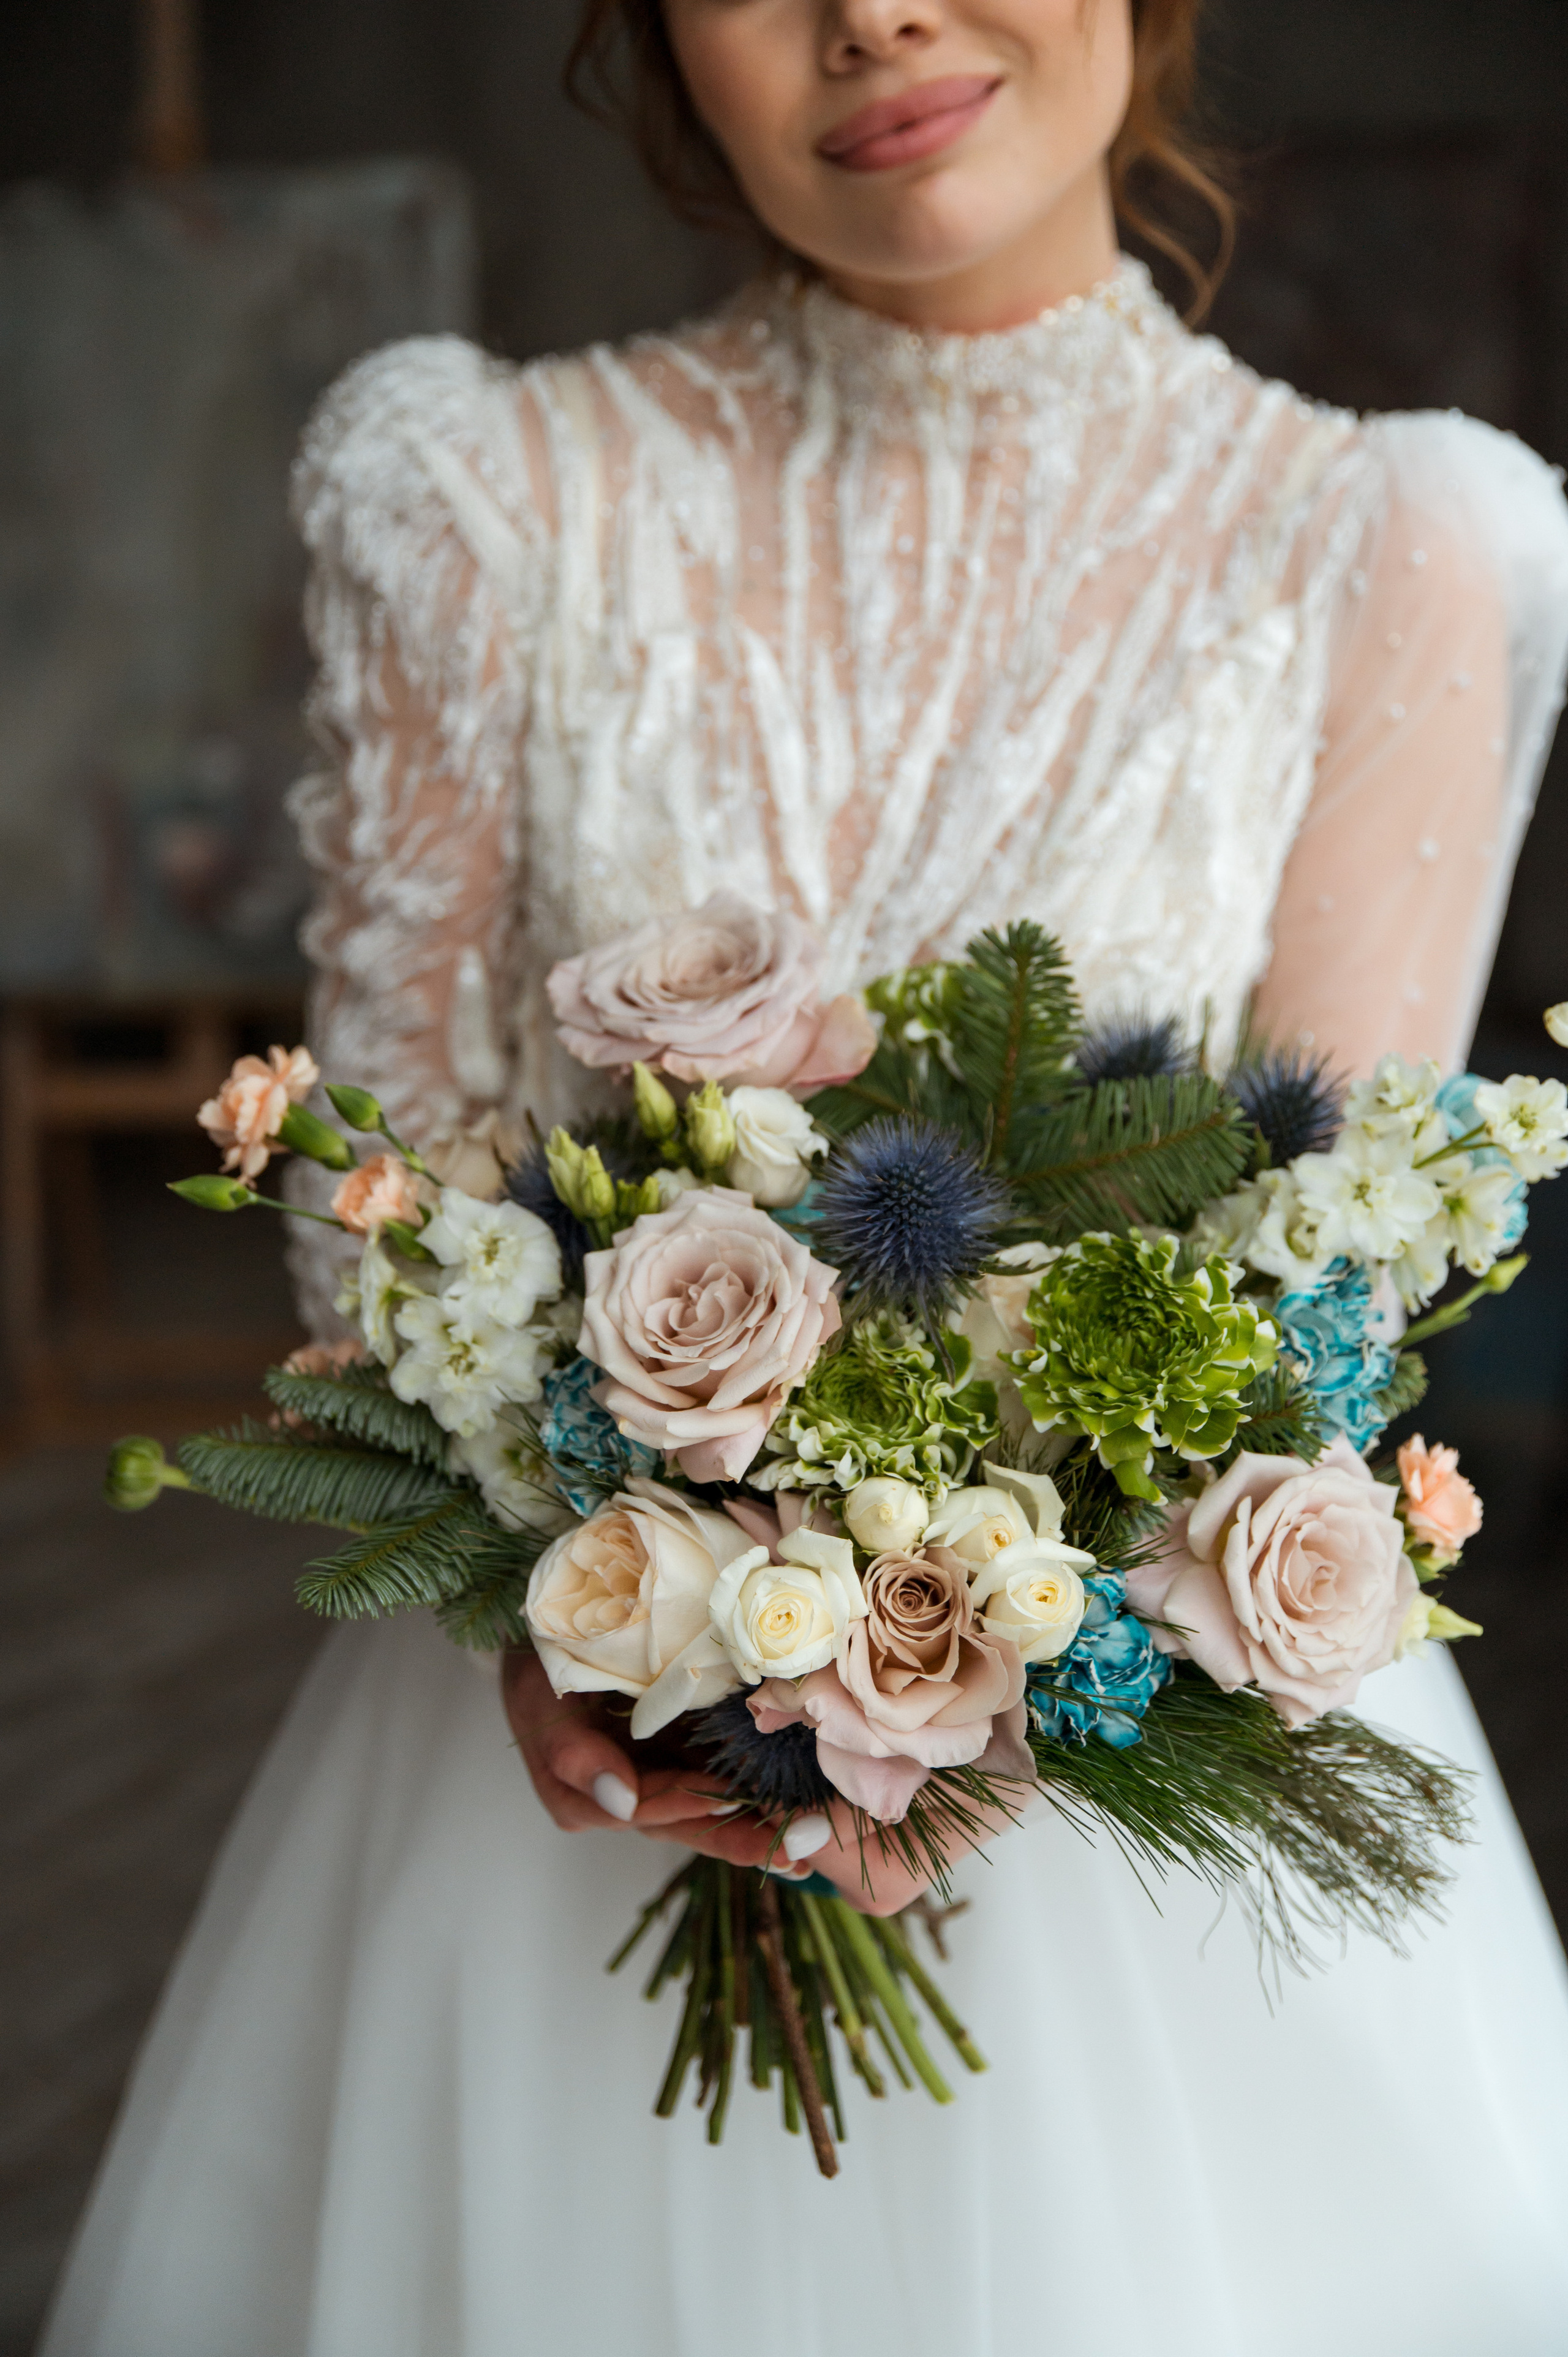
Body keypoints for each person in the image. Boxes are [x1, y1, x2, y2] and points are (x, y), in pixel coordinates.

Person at [40, 2, 1568, 2350]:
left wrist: (1002, 1636)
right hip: (574, 1756)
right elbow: (380, 1228)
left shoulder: (1395, 548)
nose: (870, 12)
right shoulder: (476, 501)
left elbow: (1318, 1315)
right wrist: (545, 1611)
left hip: (1160, 1836)